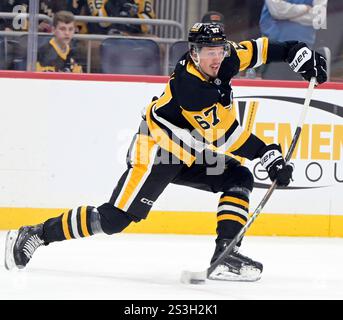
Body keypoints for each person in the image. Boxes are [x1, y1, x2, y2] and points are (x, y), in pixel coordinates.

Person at [4, 22, 327, 281]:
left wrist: (299, 54)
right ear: (193, 53)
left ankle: (226, 254)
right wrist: (268, 153)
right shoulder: (190, 88)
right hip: (158, 151)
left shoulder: (226, 57)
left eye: (219, 49)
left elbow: (264, 47)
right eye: (207, 51)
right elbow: (226, 137)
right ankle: (35, 233)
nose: (216, 57)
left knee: (237, 176)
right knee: (115, 219)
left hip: (192, 151)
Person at [259, 0, 328, 80]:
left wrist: (287, 16)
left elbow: (319, 18)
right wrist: (305, 8)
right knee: (270, 88)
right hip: (274, 48)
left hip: (304, 50)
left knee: (299, 89)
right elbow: (278, 10)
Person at [69, 0, 155, 35]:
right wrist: (111, 4)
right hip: (101, 36)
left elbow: (147, 25)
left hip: (133, 36)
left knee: (160, 46)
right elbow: (101, 22)